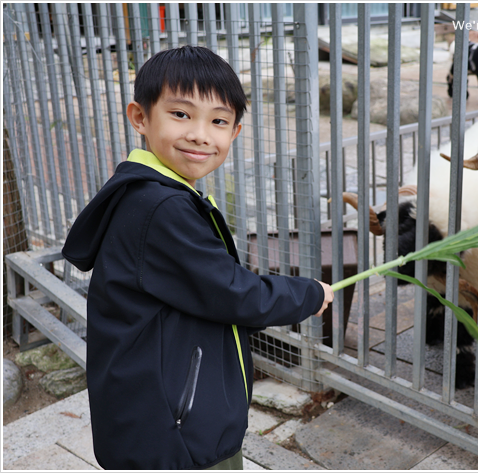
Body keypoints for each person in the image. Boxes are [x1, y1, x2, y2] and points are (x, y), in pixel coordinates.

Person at [62, 45, 334, 470]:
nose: (201, 134)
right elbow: (233, 292)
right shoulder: (161, 207)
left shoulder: (152, 193)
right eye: (181, 114)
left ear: (235, 133)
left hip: (155, 416)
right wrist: (308, 293)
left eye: (219, 121)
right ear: (140, 117)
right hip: (177, 436)